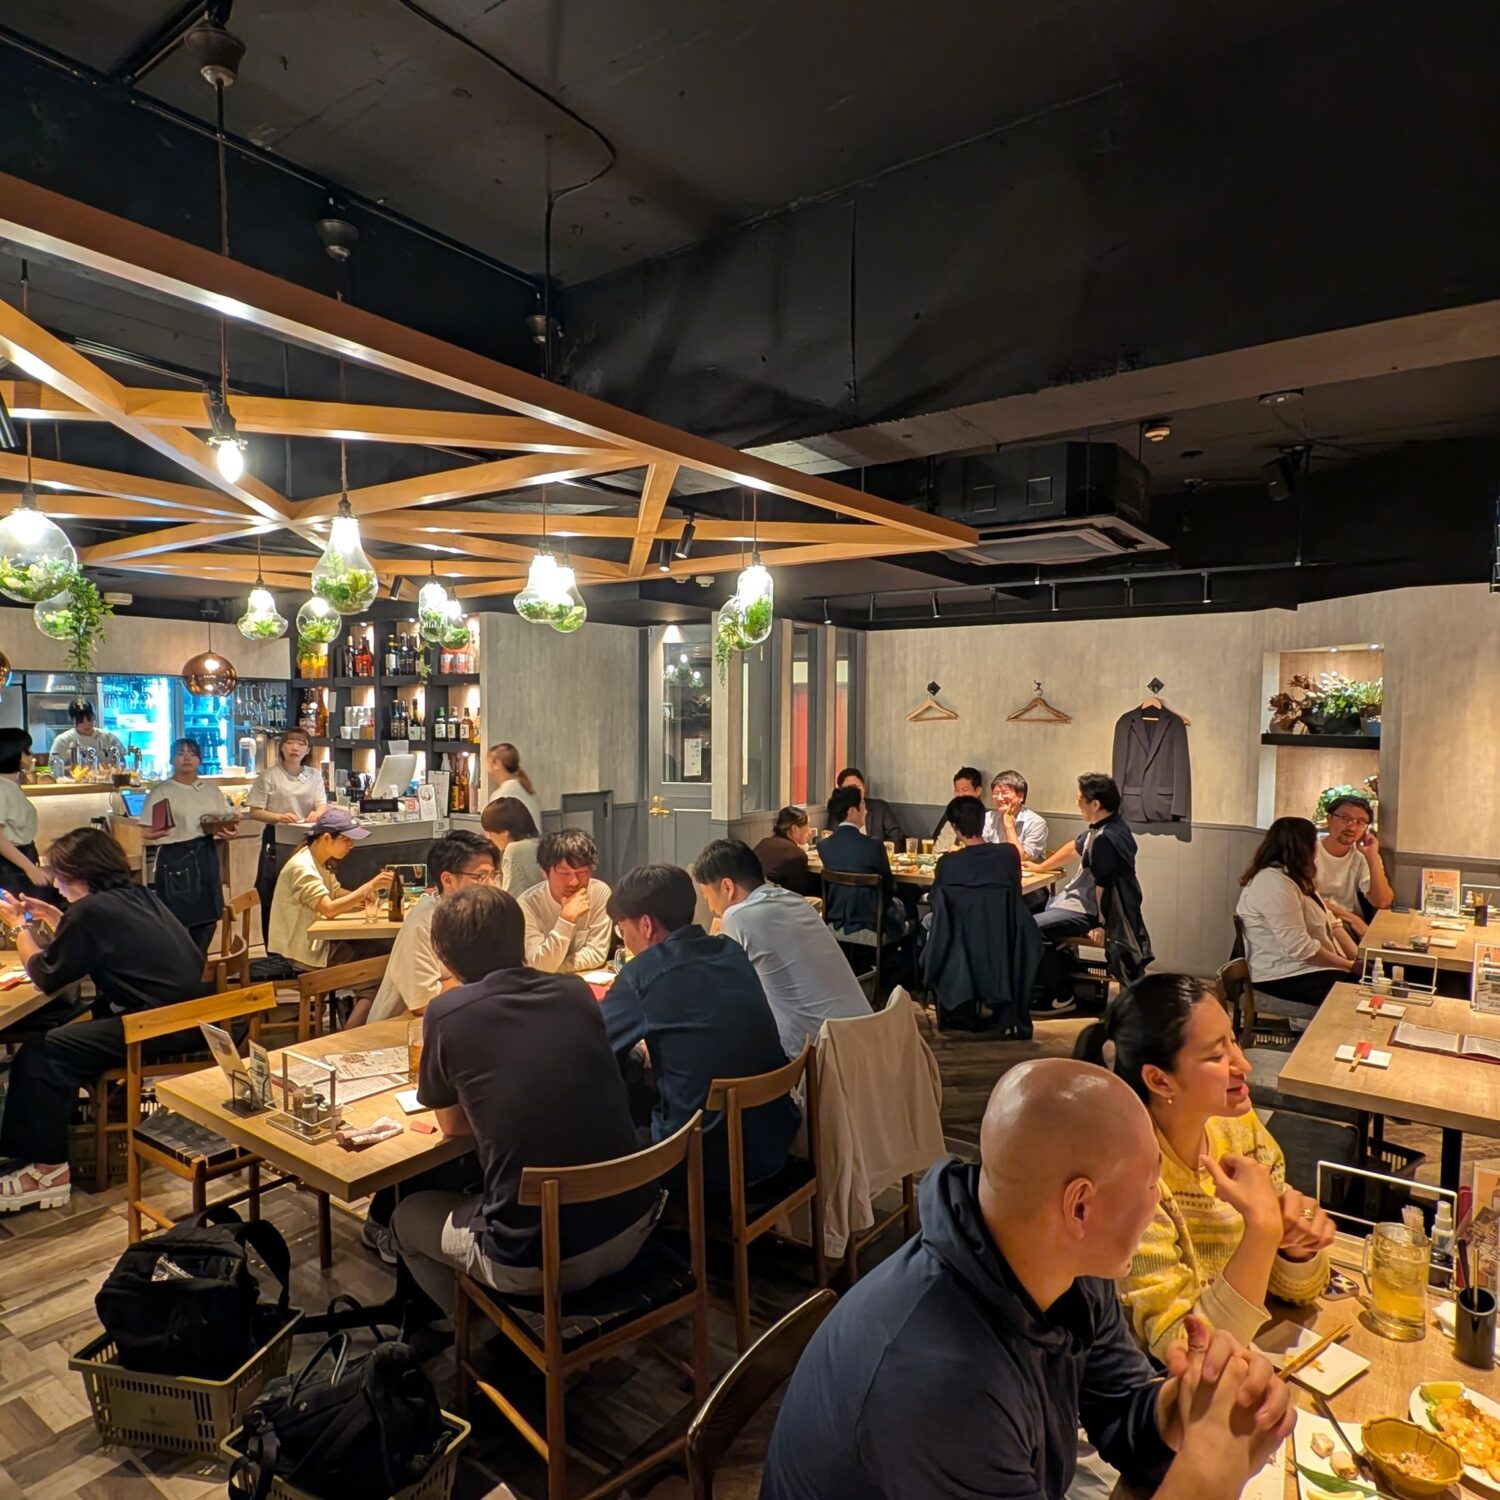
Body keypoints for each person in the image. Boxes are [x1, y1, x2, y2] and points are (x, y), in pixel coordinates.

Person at [761, 1058, 1294, 1500]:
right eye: (1152, 1180)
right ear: (1080, 1207)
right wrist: (1210, 1472)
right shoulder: (939, 1383)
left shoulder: (1064, 1265)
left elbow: (1118, 1412)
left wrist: (1181, 1407)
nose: (1157, 1198)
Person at [390, 885, 660, 1314]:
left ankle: (485, 1334)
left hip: (541, 1259)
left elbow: (454, 1127)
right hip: (636, 1223)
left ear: (443, 955)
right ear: (519, 939)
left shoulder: (447, 1013)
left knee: (406, 1216)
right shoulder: (573, 993)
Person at [1076, 974, 1334, 1360]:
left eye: (1234, 1041)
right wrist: (1263, 1230)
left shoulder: (1239, 1131)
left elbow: (1295, 1291)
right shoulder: (1134, 1184)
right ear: (1160, 1080)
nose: (1243, 1063)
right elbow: (1186, 1352)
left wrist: (1296, 1250)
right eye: (1217, 1056)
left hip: (1259, 1354)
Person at [0, 828, 206, 1213]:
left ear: (82, 873)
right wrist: (62, 919)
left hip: (159, 1026)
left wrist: (18, 926)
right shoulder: (137, 895)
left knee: (42, 1053)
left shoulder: (91, 911)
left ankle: (47, 1172)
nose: (56, 886)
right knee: (57, 1039)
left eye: (59, 876)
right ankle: (49, 1151)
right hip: (188, 1016)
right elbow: (108, 941)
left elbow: (46, 976)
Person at [600, 864, 799, 1192]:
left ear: (646, 925)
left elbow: (597, 1050)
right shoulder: (730, 951)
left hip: (704, 1159)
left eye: (624, 929)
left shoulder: (642, 975)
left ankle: (646, 1226)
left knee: (617, 1108)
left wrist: (637, 1055)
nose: (626, 940)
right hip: (774, 1137)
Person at [693, 838, 869, 1058]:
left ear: (727, 887)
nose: (710, 908)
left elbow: (721, 991)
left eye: (707, 897)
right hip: (866, 1038)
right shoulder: (796, 901)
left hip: (818, 1059)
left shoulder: (736, 916)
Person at [1027, 772, 1140, 1016]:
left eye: (1080, 799)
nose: (1077, 803)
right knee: (1029, 909)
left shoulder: (1106, 839)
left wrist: (1102, 924)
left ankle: (1061, 993)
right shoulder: (1109, 827)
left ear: (1095, 804)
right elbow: (1075, 846)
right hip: (1078, 904)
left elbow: (1105, 886)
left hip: (1087, 911)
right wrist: (1039, 867)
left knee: (1028, 926)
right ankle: (1054, 973)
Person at [358, 831, 498, 1026]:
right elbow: (424, 1003)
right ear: (447, 880)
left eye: (493, 875)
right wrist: (479, 978)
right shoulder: (423, 924)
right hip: (400, 1030)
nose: (491, 885)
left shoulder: (482, 915)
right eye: (481, 876)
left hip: (456, 1018)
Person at [1236, 817, 1357, 1005]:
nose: (1319, 844)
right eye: (1315, 839)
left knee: (1371, 982)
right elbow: (1300, 947)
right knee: (1357, 993)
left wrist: (1357, 958)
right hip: (1283, 974)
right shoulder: (1275, 885)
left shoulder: (1295, 876)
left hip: (1308, 967)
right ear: (1303, 846)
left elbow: (1332, 922)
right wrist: (1349, 966)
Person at [141, 737, 237, 953]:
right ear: (171, 759)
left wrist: (228, 831)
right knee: (178, 923)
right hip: (174, 859)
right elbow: (145, 832)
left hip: (206, 854)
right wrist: (158, 832)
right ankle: (184, 973)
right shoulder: (161, 791)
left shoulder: (211, 791)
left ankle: (198, 966)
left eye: (192, 754)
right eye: (181, 753)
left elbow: (225, 823)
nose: (187, 758)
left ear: (200, 760)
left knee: (208, 920)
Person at [267, 808, 394, 970]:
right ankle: (366, 995)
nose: (351, 846)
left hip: (321, 942)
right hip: (307, 951)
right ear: (327, 838)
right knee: (383, 963)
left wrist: (365, 897)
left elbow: (335, 892)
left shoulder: (319, 860)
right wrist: (369, 886)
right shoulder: (302, 866)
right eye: (346, 840)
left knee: (383, 953)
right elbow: (329, 909)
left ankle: (365, 994)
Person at [244, 727, 328, 943]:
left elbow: (321, 803)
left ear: (307, 750)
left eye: (301, 744)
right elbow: (255, 811)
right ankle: (272, 947)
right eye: (290, 742)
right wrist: (279, 817)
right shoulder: (269, 776)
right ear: (282, 747)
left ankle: (302, 945)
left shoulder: (314, 775)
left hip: (307, 839)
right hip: (276, 838)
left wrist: (317, 814)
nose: (295, 748)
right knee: (272, 892)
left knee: (305, 892)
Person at [818, 784, 908, 941]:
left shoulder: (824, 846)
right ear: (852, 811)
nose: (866, 811)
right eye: (863, 806)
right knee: (903, 905)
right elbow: (889, 886)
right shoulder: (873, 845)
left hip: (837, 914)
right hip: (872, 917)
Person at [517, 829, 613, 974]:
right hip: (543, 987)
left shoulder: (599, 892)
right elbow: (538, 965)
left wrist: (555, 967)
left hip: (583, 980)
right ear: (544, 872)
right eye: (564, 873)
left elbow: (597, 954)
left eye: (582, 872)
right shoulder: (527, 904)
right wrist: (566, 920)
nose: (574, 882)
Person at [1314, 794, 1393, 938]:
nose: (1352, 827)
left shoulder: (1362, 855)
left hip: (1348, 928)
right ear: (1329, 819)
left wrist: (1372, 857)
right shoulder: (1309, 851)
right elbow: (1306, 898)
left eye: (1361, 822)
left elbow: (1383, 901)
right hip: (1316, 921)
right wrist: (1352, 918)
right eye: (1345, 818)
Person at [0, 728, 45, 895]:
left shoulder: (10, 784)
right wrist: (30, 868)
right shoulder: (2, 788)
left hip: (21, 858)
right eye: (26, 751)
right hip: (11, 865)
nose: (31, 755)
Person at [479, 795, 541, 895]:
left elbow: (510, 897)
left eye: (490, 832)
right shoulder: (538, 843)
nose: (488, 837)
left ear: (505, 832)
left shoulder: (515, 850)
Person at [752, 804, 818, 897]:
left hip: (754, 896)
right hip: (777, 900)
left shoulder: (763, 843)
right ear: (794, 828)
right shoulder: (797, 855)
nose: (810, 831)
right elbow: (799, 891)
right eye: (807, 825)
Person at [987, 768, 1050, 864]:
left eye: (1004, 793)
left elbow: (1019, 857)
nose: (999, 798)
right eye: (996, 793)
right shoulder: (988, 818)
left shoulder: (1036, 823)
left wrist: (1008, 825)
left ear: (1020, 796)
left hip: (1026, 876)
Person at [47, 700, 124, 777]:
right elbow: (52, 769)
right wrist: (79, 769)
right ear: (72, 719)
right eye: (81, 721)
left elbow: (123, 762)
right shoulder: (62, 740)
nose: (86, 724)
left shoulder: (108, 737)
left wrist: (114, 768)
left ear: (94, 716)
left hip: (106, 786)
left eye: (89, 719)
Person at [831, 766, 903, 847]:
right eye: (850, 788)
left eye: (858, 786)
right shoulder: (838, 810)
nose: (856, 792)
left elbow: (896, 835)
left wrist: (882, 851)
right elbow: (833, 837)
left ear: (864, 786)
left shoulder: (880, 807)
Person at [485, 741, 541, 827]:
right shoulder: (527, 791)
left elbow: (495, 832)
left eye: (488, 762)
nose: (487, 769)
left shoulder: (501, 796)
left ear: (497, 764)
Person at [933, 767, 985, 854]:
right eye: (957, 790)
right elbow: (937, 851)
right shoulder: (952, 815)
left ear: (978, 791)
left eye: (965, 790)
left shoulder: (985, 819)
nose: (960, 795)